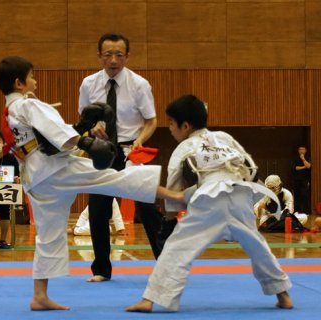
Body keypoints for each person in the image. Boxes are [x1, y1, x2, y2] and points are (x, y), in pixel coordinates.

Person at [0, 56, 183, 311]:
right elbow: (60, 135)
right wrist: (86, 143)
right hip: (56, 169)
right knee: (115, 178)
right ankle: (176, 196)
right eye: (32, 76)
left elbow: (47, 135)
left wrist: (81, 127)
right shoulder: (29, 105)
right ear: (19, 83)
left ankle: (40, 296)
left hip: (36, 178)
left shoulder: (10, 111)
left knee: (48, 234)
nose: (35, 81)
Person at [126, 94, 293, 313]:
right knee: (257, 246)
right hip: (240, 194)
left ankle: (150, 300)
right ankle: (283, 295)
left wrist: (169, 218)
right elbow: (249, 167)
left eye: (171, 123)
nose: (169, 128)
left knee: (177, 249)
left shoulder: (183, 148)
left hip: (209, 201)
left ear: (184, 126)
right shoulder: (224, 137)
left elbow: (175, 190)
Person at [78, 32, 163, 282]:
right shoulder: (88, 84)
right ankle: (102, 269)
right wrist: (91, 129)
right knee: (98, 210)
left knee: (147, 209)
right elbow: (84, 120)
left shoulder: (139, 84)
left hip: (131, 151)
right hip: (102, 151)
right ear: (99, 56)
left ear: (127, 56)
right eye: (108, 55)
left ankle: (166, 264)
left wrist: (140, 140)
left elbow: (151, 120)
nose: (113, 60)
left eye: (118, 55)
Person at [293, 145, 311, 213]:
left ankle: (305, 211)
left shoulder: (308, 158)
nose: (301, 151)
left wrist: (303, 159)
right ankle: (297, 211)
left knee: (305, 195)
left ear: (305, 151)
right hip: (297, 179)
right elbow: (295, 168)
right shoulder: (295, 158)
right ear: (298, 151)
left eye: (303, 149)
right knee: (297, 195)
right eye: (300, 149)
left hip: (305, 180)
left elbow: (309, 166)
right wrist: (304, 166)